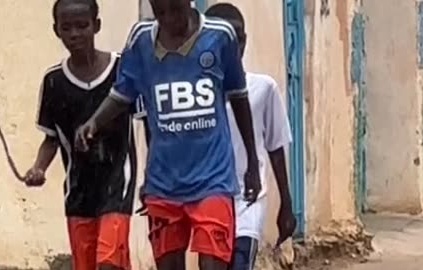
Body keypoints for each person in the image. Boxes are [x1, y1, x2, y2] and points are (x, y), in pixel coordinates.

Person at [74, 0, 262, 269]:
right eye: (160, 11)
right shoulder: (140, 41)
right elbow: (122, 93)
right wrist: (94, 122)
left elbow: (239, 97)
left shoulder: (220, 36)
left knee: (213, 264)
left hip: (213, 181)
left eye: (175, 9)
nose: (168, 18)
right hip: (164, 185)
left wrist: (252, 163)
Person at [23, 0, 144, 269]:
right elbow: (51, 137)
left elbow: (146, 121)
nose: (75, 34)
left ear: (96, 25)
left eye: (82, 25)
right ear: (56, 31)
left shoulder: (121, 70)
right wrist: (38, 168)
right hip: (78, 192)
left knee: (108, 263)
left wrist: (153, 177)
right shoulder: (54, 82)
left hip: (117, 184)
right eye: (67, 28)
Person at [206, 4, 297, 270]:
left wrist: (286, 204)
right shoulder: (198, 93)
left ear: (244, 42)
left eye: (237, 39)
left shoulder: (263, 89)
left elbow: (276, 147)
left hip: (248, 198)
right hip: (209, 196)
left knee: (241, 260)